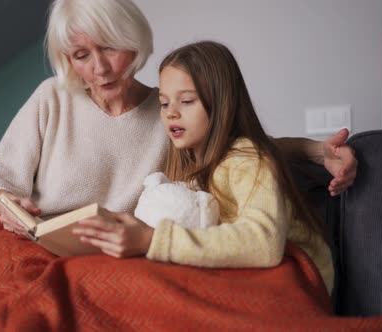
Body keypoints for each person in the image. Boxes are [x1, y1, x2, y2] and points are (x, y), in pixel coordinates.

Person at [0, 0, 356, 249]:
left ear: (134, 41)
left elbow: (239, 144)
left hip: (114, 251)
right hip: (33, 244)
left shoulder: (167, 111)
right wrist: (10, 208)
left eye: (110, 47)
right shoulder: (51, 98)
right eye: (80, 54)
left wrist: (319, 151)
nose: (99, 68)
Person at [72, 41, 335, 292]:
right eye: (164, 103)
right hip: (245, 274)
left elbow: (263, 242)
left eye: (186, 101)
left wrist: (152, 239)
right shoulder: (190, 163)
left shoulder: (248, 159)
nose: (171, 113)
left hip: (296, 282)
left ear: (222, 105)